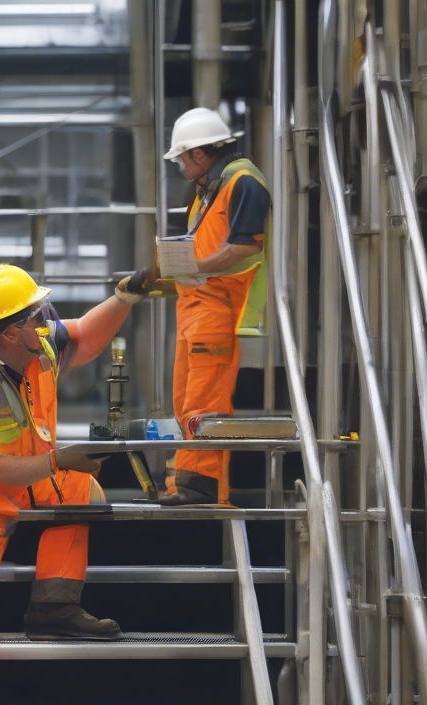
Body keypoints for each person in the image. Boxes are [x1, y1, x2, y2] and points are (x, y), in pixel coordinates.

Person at [0, 263, 153, 705]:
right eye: (35, 315)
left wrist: (126, 296)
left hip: (24, 475)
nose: (46, 320)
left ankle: (54, 607)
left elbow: (87, 335)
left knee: (81, 490)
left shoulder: (37, 345)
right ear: (10, 332)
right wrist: (57, 462)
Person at [160, 107, 271, 506]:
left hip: (218, 306)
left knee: (205, 402)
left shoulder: (243, 183)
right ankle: (185, 482)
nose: (182, 167)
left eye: (183, 158)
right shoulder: (213, 188)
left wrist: (194, 268)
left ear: (199, 155)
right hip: (194, 307)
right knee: (185, 401)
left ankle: (200, 485)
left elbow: (245, 246)